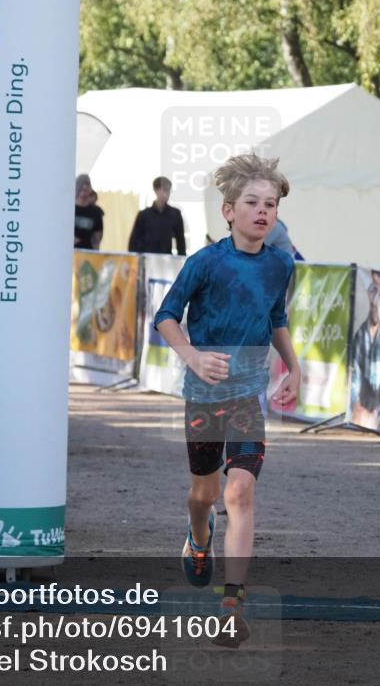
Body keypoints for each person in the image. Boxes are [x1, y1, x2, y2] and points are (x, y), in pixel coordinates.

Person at [154, 153, 299, 648]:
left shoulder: (281, 264)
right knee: (205, 496)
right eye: (252, 202)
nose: (263, 211)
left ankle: (232, 605)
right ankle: (198, 537)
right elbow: (166, 317)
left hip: (245, 398)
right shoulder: (206, 262)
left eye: (271, 205)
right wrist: (192, 356)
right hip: (202, 398)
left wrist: (294, 367)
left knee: (238, 492)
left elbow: (276, 319)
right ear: (228, 211)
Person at [349, 270, 380, 430]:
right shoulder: (360, 335)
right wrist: (356, 407)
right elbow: (354, 376)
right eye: (372, 290)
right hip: (360, 414)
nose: (376, 299)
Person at [127, 176, 186, 255]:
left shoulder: (175, 214)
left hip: (166, 260)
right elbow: (133, 241)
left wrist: (182, 262)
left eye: (168, 190)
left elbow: (181, 242)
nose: (167, 193)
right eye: (164, 189)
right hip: (147, 259)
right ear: (156, 190)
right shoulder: (144, 215)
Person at [74, 174, 104, 250]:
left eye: (87, 185)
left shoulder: (96, 212)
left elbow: (97, 237)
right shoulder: (68, 209)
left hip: (87, 254)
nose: (84, 187)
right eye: (82, 185)